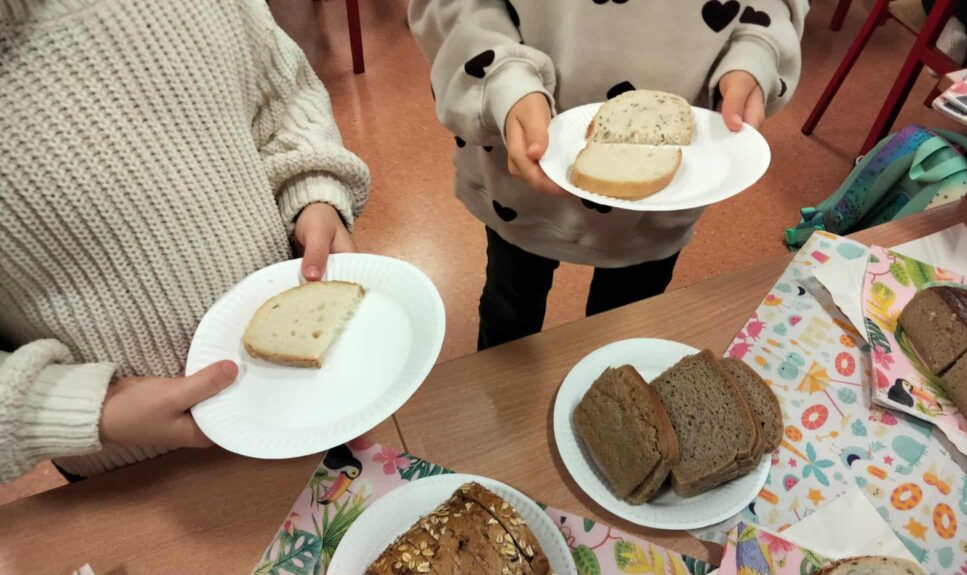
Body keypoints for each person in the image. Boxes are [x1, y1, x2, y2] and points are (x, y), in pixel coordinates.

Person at [0, 0, 370, 481]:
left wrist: (311, 189)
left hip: (307, 395)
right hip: (133, 470)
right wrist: (68, 409)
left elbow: (279, 92)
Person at [408, 0, 807, 351]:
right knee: (510, 310)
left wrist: (756, 49)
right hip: (518, 167)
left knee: (621, 328)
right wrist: (502, 78)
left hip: (665, 195)